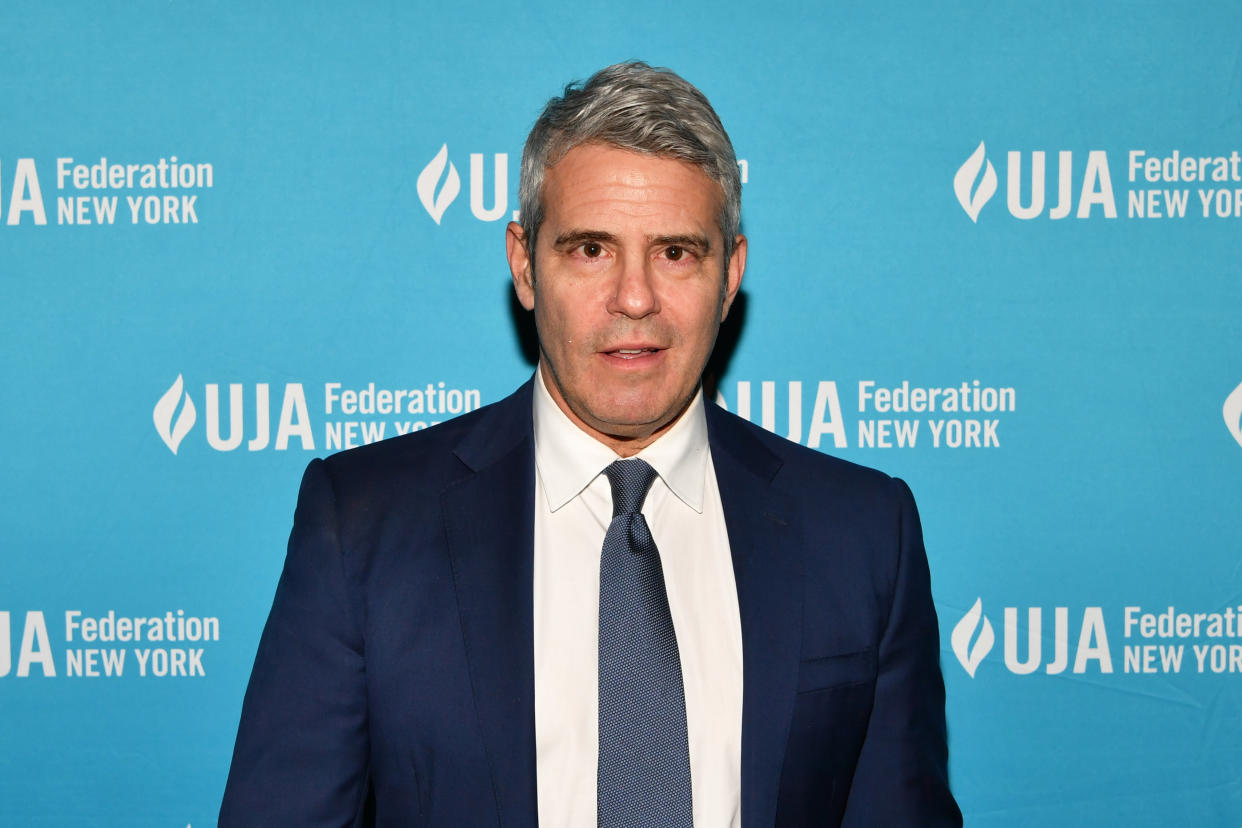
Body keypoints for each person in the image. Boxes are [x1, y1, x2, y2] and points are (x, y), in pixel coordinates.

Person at [220, 61, 961, 827]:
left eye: (676, 252)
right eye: (590, 250)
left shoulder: (863, 533)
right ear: (524, 265)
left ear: (731, 273)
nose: (634, 297)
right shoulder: (366, 526)